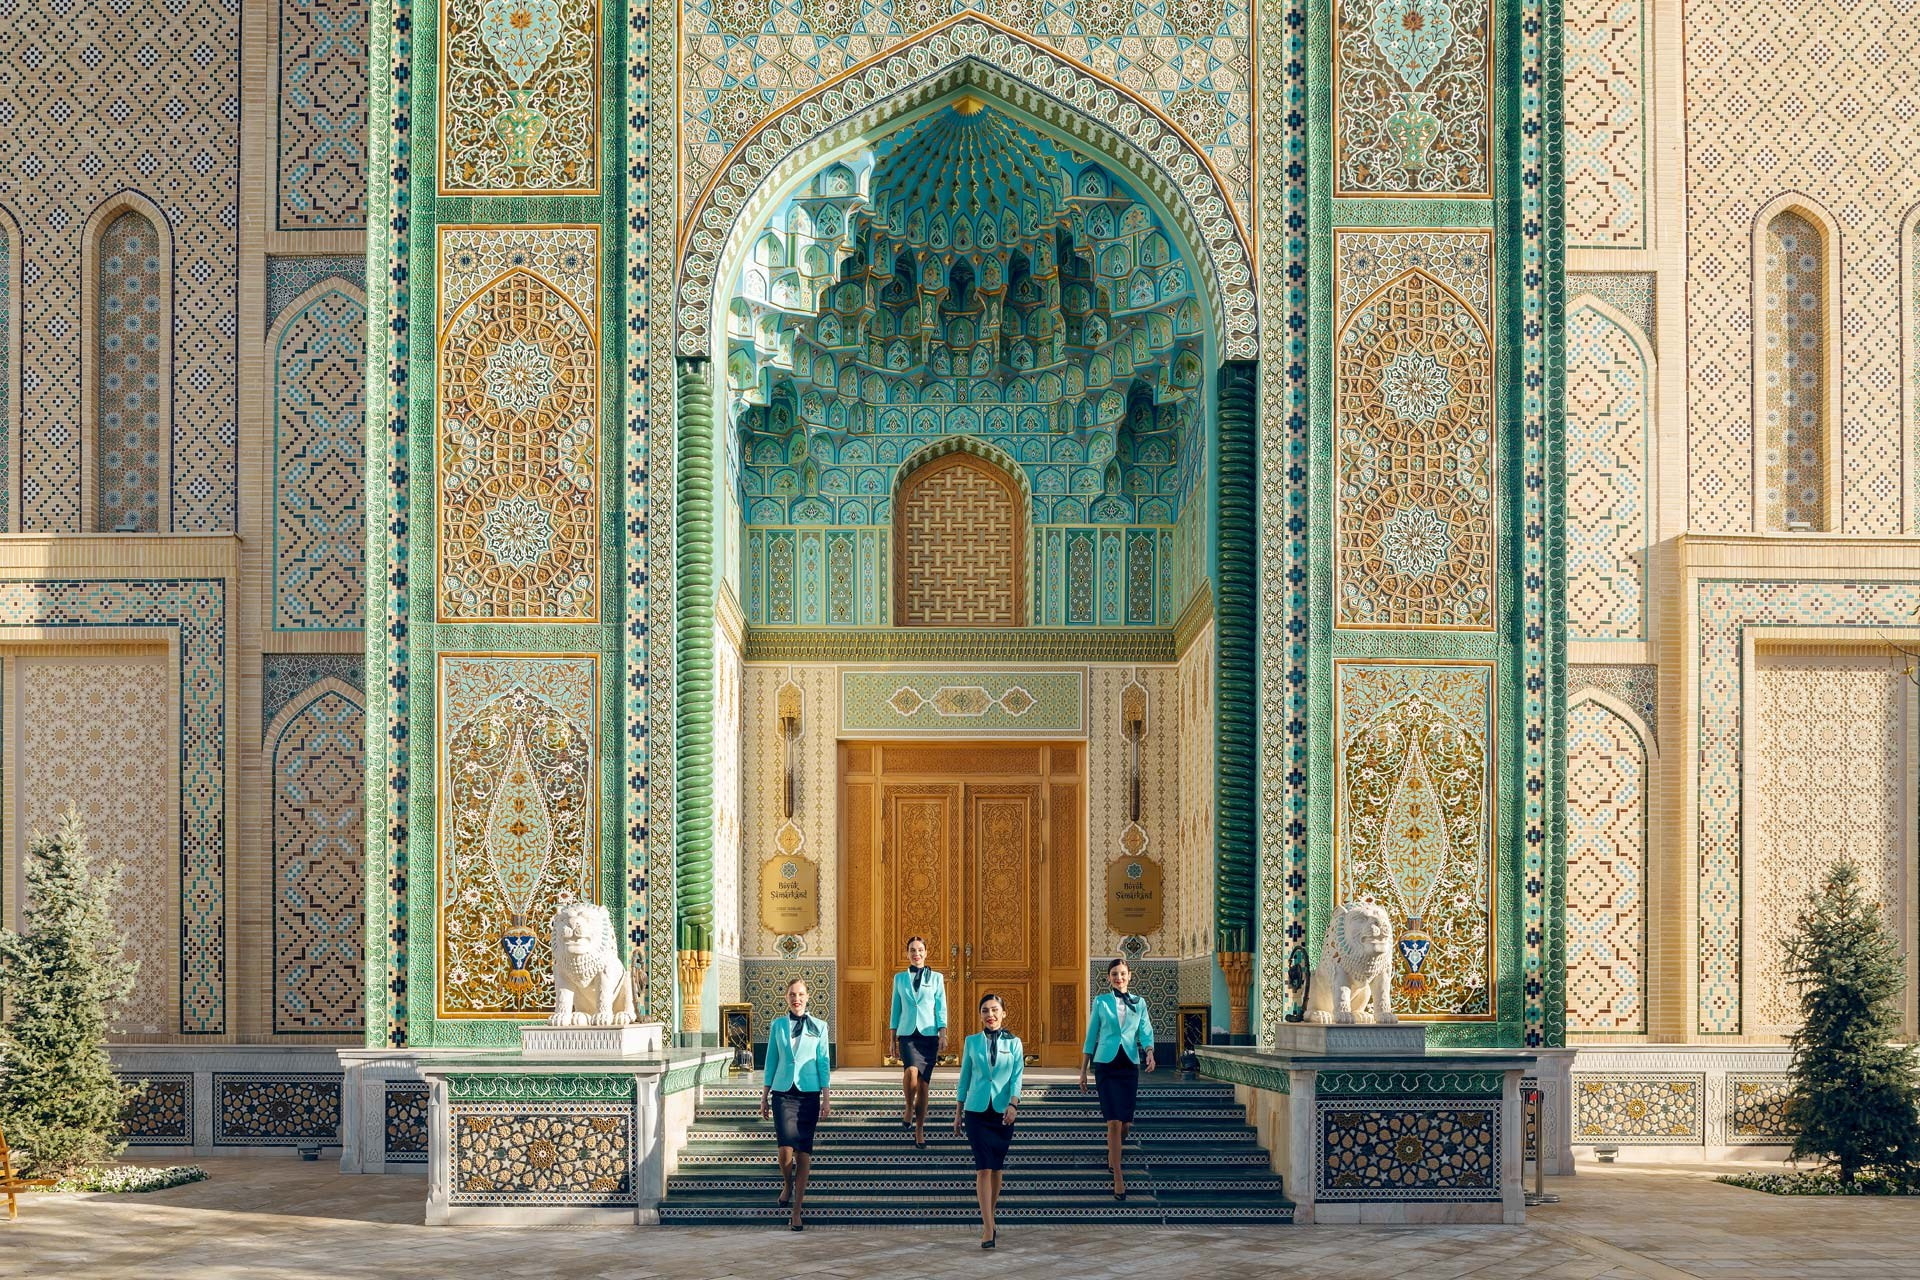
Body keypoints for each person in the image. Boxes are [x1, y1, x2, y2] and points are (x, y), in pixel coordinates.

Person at [1079, 957, 1155, 1200]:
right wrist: (1083, 1070)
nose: (1119, 978)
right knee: (1112, 1121)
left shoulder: (1139, 1002)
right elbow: (1092, 1035)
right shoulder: (1101, 1002)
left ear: (1129, 976)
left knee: (1125, 1124)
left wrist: (1150, 1052)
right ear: (1109, 977)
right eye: (1114, 974)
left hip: (1129, 1064)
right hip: (1105, 1064)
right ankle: (1118, 1176)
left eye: (1122, 973)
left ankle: (1113, 1152)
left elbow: (1145, 1030)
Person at [760, 976, 831, 1230]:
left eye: (800, 994)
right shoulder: (777, 1025)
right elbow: (770, 1061)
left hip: (809, 1094)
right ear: (787, 998)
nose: (796, 999)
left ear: (808, 997)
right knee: (785, 1152)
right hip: (782, 1093)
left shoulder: (819, 1026)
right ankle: (787, 1182)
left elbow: (823, 1061)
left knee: (804, 1154)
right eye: (792, 995)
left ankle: (797, 1210)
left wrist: (826, 1097)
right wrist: (764, 1095)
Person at [953, 992, 1022, 1249]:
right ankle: (987, 1227)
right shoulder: (971, 1042)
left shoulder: (1015, 1043)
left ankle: (991, 1218)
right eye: (985, 1011)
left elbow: (1017, 1077)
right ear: (980, 1015)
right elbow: (965, 1078)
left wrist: (1014, 1104)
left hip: (1004, 1112)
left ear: (1003, 1013)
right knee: (983, 1168)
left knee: (996, 1168)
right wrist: (958, 1112)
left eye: (994, 1010)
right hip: (976, 1111)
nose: (990, 1015)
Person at [889, 935, 948, 1148]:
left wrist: (943, 1033)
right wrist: (891, 1038)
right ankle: (907, 1106)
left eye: (920, 950)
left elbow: (941, 1006)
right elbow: (895, 1009)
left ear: (926, 952)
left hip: (929, 1034)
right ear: (907, 954)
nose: (916, 954)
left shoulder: (936, 978)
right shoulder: (899, 979)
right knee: (911, 1071)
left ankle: (919, 1129)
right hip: (907, 1033)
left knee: (924, 1085)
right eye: (912, 950)